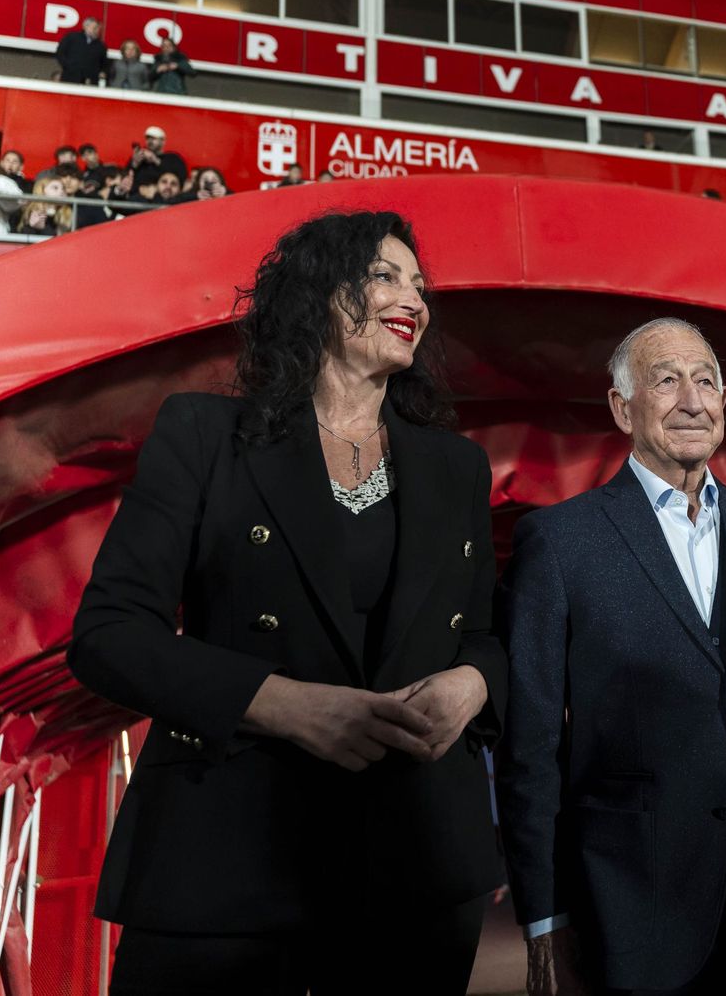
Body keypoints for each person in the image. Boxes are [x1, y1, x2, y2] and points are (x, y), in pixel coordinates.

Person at [68, 211, 507, 994]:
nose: (415, 298)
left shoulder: (457, 467)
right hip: (226, 860)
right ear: (320, 294)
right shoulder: (203, 434)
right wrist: (283, 705)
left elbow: (487, 633)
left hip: (415, 867)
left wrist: (471, 686)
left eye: (420, 284)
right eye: (385, 275)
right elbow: (109, 633)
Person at [495, 317, 726, 994]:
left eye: (705, 381)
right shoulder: (560, 543)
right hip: (638, 902)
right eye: (666, 380)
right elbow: (531, 747)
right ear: (621, 406)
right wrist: (545, 915)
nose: (691, 400)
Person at [130, 125, 188, 190]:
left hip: (165, 196)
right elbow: (125, 178)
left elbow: (180, 178)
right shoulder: (139, 157)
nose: (150, 141)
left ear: (163, 141)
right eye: (148, 138)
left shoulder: (173, 158)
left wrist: (156, 160)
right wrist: (134, 164)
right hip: (137, 197)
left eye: (153, 138)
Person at [55, 17, 108, 84]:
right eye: (94, 28)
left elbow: (103, 63)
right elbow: (60, 53)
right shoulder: (72, 37)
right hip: (70, 77)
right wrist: (68, 67)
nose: (97, 31)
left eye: (98, 29)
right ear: (85, 27)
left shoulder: (101, 45)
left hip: (89, 81)